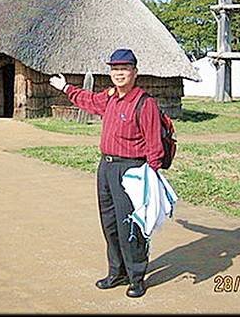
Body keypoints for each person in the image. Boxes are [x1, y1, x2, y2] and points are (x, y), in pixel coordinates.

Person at [49, 48, 164, 298]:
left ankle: (136, 277)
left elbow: (154, 145)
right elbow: (89, 101)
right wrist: (66, 87)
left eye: (124, 69)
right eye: (114, 69)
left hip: (131, 169)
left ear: (135, 72)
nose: (118, 73)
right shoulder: (110, 98)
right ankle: (117, 272)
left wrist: (151, 179)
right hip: (106, 167)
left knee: (130, 225)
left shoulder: (145, 103)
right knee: (109, 223)